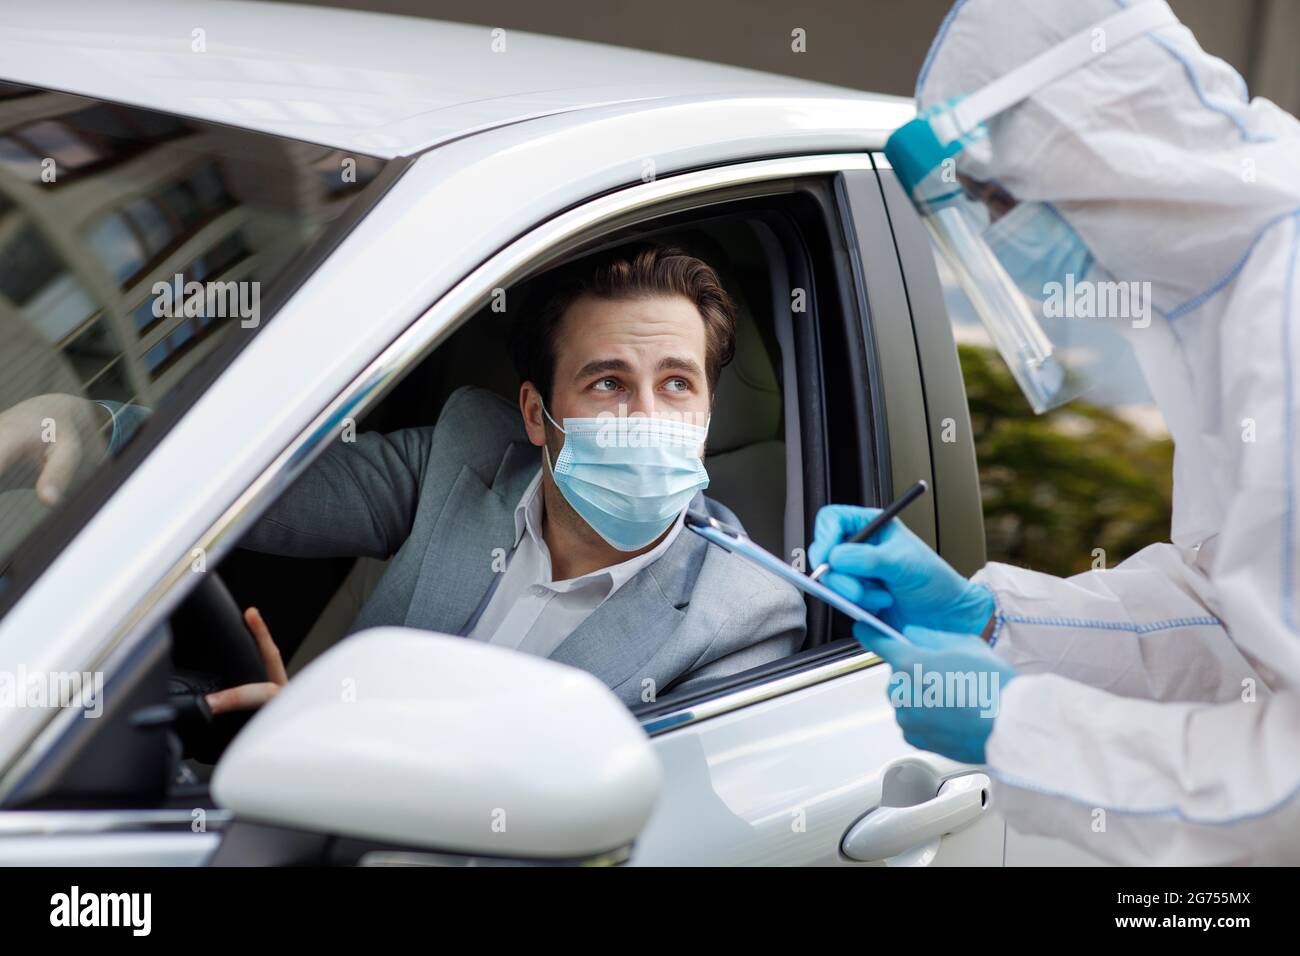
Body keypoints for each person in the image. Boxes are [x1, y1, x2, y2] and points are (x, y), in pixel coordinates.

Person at [811, 0, 1300, 864]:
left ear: (1092, 137)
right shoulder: (1229, 298)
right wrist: (997, 624)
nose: (1000, 233)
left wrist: (1021, 728)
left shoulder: (1284, 313)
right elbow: (1237, 627)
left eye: (996, 196)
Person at [0, 243, 805, 712]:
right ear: (537, 413)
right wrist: (95, 428)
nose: (643, 416)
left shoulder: (743, 616)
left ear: (705, 404)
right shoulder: (467, 450)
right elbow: (249, 492)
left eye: (676, 383)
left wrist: (327, 753)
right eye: (605, 383)